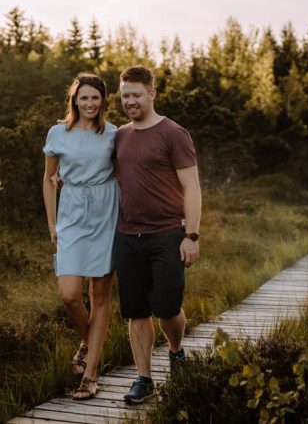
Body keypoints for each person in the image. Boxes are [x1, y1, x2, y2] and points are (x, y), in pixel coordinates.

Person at [112, 65, 202, 405]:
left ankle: (176, 351)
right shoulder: (120, 135)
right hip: (127, 236)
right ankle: (144, 378)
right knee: (136, 312)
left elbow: (192, 187)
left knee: (167, 308)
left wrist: (191, 235)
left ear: (152, 93)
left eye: (136, 95)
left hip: (167, 235)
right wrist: (62, 175)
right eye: (125, 96)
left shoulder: (174, 133)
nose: (130, 102)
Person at [42, 73, 120, 400]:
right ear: (74, 99)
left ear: (103, 100)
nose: (89, 103)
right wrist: (52, 224)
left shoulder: (114, 134)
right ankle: (89, 343)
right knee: (70, 294)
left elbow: (126, 172)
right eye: (83, 97)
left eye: (95, 98)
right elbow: (49, 179)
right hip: (71, 214)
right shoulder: (58, 133)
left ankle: (90, 375)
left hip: (106, 213)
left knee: (99, 295)